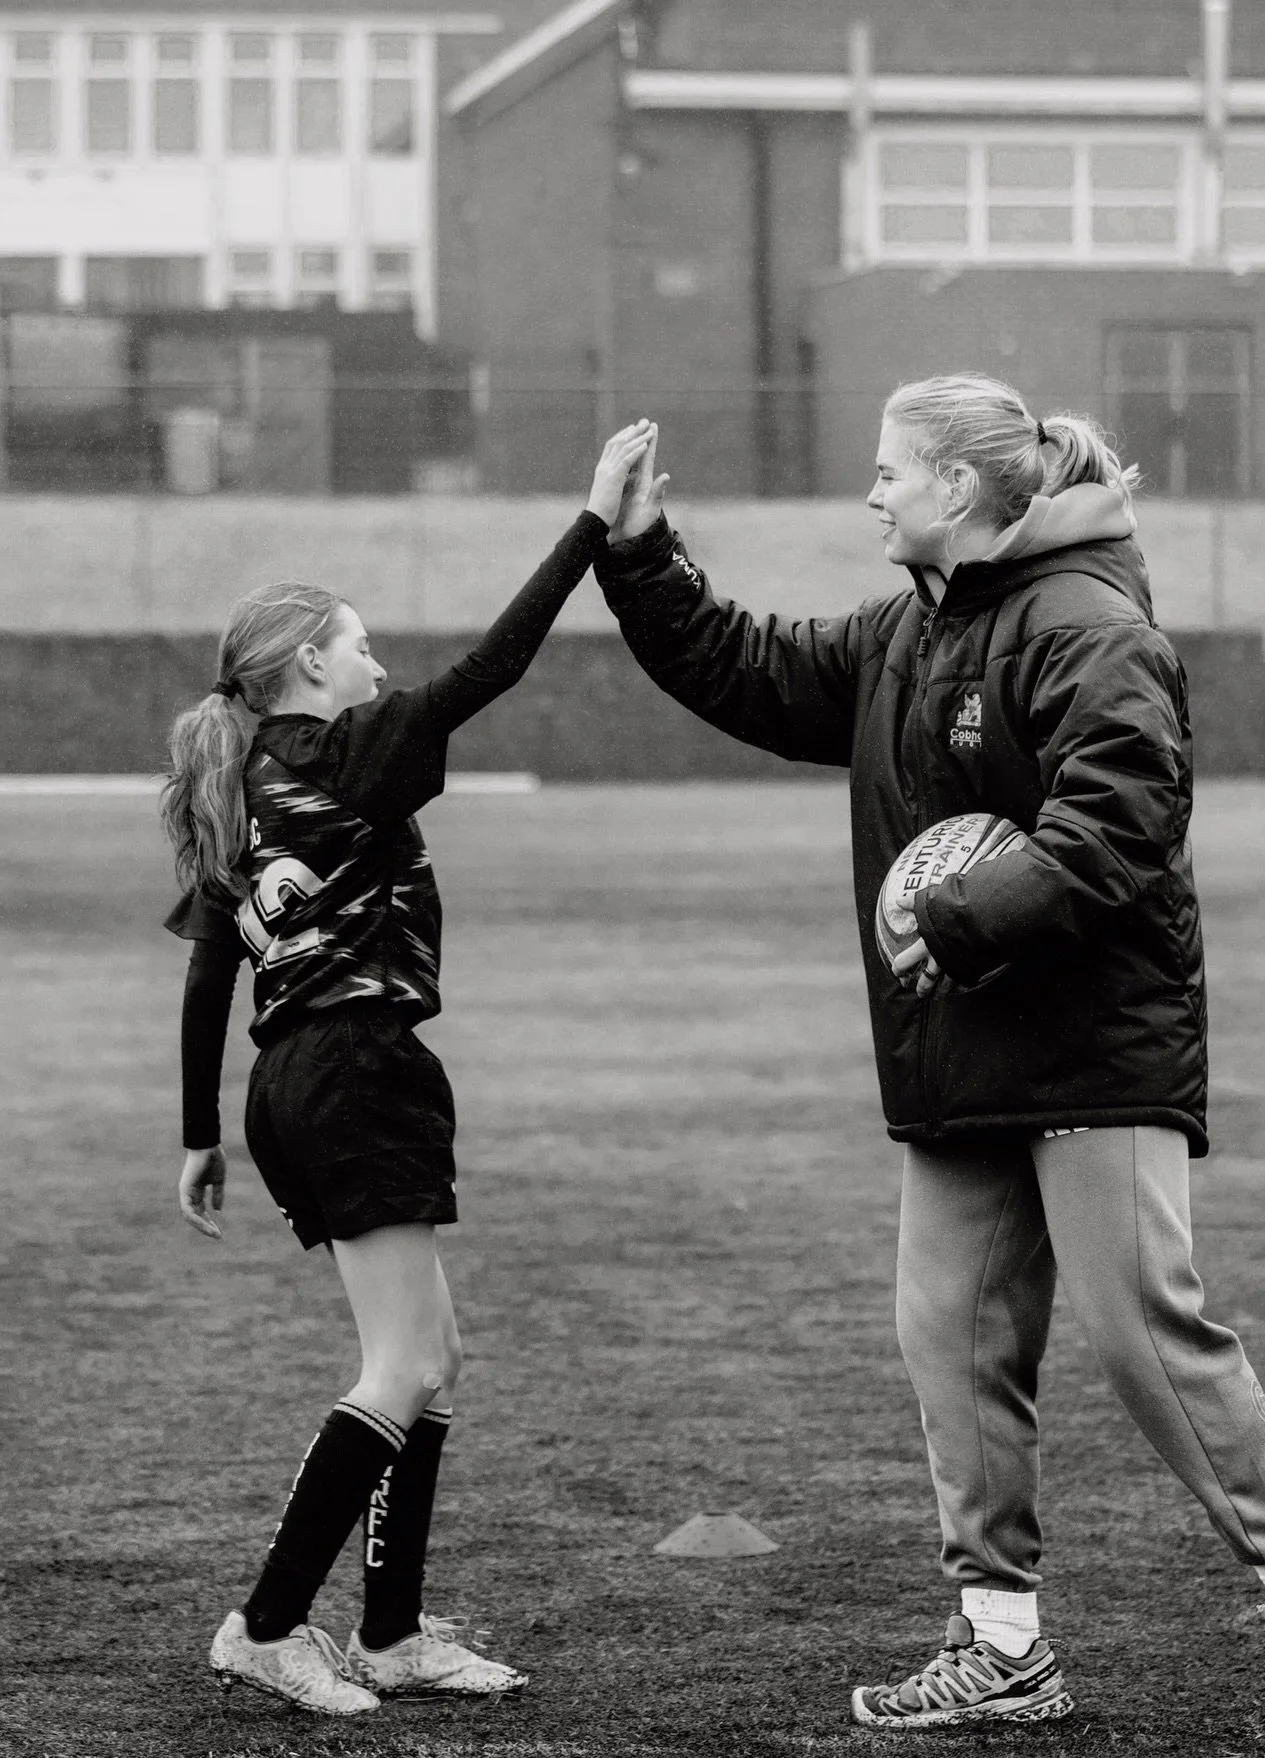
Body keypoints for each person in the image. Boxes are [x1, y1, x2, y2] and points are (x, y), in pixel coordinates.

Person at [593, 381, 1265, 1738]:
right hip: (962, 1049)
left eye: (893, 470)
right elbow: (747, 667)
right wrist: (641, 549)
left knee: (1144, 1334)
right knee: (948, 1339)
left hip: (1090, 1048)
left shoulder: (1089, 624)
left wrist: (955, 920)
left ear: (961, 489)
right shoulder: (907, 629)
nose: (874, 492)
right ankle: (1003, 1642)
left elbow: (1119, 822)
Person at [160, 421, 655, 1716]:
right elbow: (500, 658)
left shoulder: (245, 784)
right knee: (398, 1367)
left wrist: (197, 1137)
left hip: (291, 1085)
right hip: (355, 1072)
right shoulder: (351, 748)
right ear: (310, 664)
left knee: (437, 1351)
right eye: (361, 643)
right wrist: (595, 523)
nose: (378, 662)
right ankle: (267, 1625)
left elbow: (213, 973)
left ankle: (386, 1633)